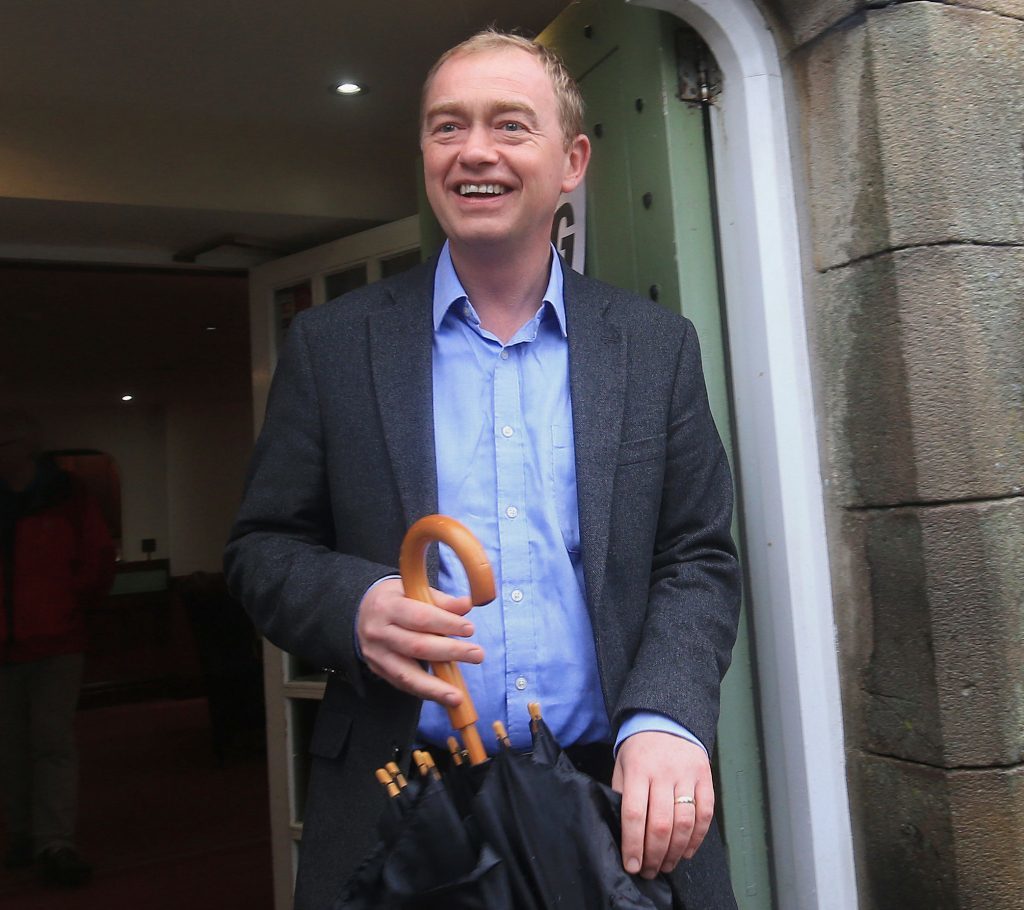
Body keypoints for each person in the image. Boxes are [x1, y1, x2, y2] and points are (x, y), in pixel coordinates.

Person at [225, 30, 740, 910]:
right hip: (401, 812)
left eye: (510, 125)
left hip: (614, 801)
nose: (474, 152)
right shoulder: (332, 346)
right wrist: (353, 607)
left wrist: (666, 716)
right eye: (446, 127)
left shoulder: (655, 348)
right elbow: (261, 550)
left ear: (572, 160)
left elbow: (698, 557)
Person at [0, 410, 115, 887]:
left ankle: (54, 841)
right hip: (5, 646)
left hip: (57, 640)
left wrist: (70, 604)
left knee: (50, 741)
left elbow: (96, 557)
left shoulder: (67, 495)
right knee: (10, 746)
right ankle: (24, 832)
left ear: (27, 445)